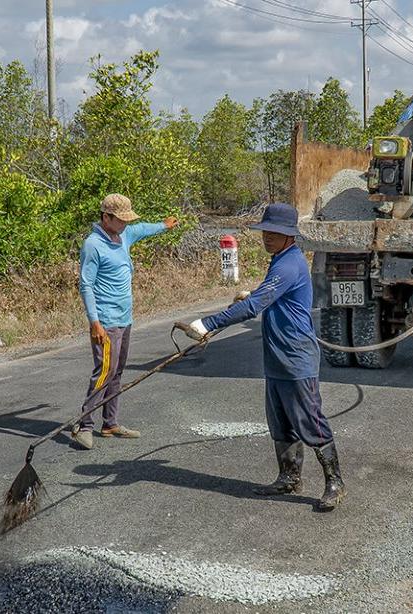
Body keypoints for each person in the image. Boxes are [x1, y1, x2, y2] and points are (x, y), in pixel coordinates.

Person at [185, 203, 346, 512]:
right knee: (281, 422)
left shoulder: (289, 264)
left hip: (297, 357)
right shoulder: (280, 261)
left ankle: (335, 483)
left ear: (289, 236)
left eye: (275, 233)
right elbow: (270, 297)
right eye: (266, 232)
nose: (268, 238)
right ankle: (288, 478)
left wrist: (208, 323)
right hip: (277, 358)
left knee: (310, 422)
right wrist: (256, 295)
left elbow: (254, 307)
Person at [75, 194, 178, 450]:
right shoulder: (93, 245)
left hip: (125, 317)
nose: (125, 224)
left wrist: (163, 226)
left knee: (117, 371)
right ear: (105, 217)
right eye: (120, 220)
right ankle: (83, 424)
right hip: (106, 321)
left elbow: (141, 230)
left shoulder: (123, 236)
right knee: (104, 372)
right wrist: (94, 322)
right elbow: (86, 285)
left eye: (125, 220)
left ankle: (110, 422)